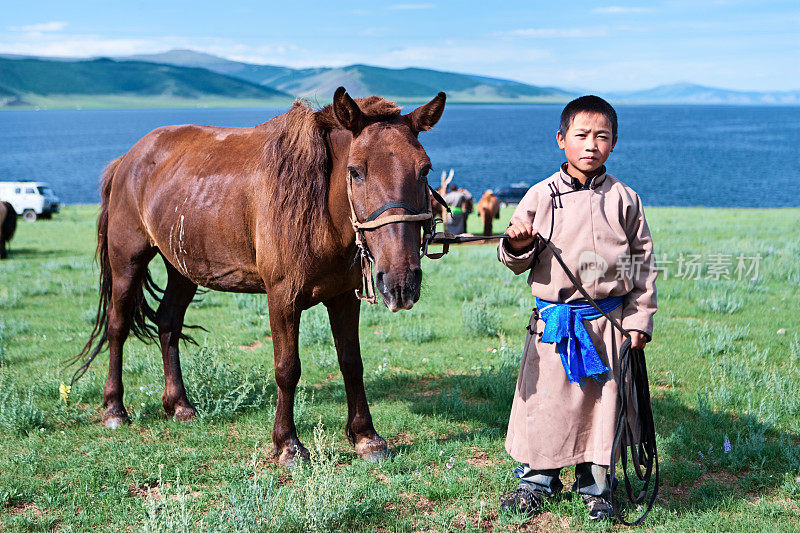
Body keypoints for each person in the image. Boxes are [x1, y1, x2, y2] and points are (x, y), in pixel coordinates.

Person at [496, 95, 657, 521]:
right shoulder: (540, 194)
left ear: (614, 143)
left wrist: (639, 318)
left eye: (601, 136)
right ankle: (537, 481)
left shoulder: (625, 199)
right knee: (549, 406)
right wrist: (516, 243)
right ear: (561, 139)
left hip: (607, 325)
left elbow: (641, 264)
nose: (591, 145)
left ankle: (598, 486)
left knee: (603, 408)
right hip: (556, 325)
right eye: (581, 135)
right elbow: (514, 255)